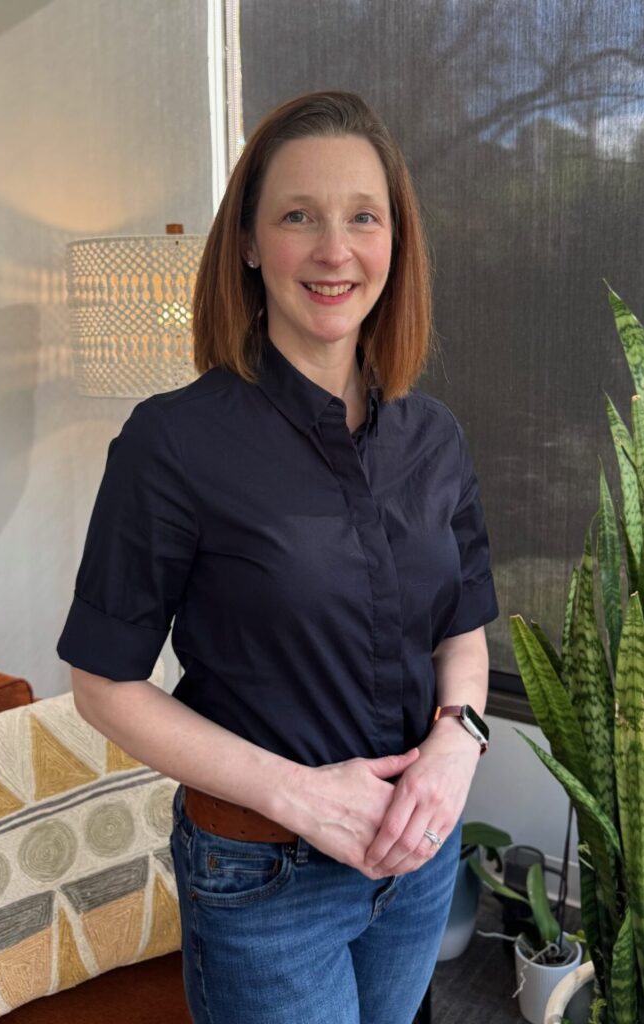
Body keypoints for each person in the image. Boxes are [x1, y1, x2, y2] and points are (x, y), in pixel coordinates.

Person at [57, 90, 499, 1024]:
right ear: (251, 244)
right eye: (299, 216)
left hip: (419, 861)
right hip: (266, 881)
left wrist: (458, 742)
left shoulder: (435, 437)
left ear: (396, 243)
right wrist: (301, 798)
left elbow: (461, 629)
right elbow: (103, 683)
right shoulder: (172, 444)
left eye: (363, 217)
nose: (336, 250)